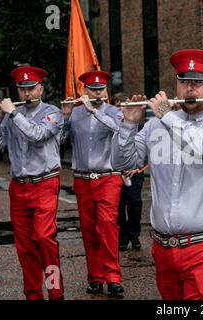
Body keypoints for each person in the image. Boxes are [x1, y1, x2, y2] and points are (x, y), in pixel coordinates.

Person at [111, 49, 203, 300]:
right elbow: (122, 162)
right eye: (184, 82)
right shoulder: (157, 124)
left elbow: (202, 147)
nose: (190, 89)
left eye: (198, 83)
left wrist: (167, 116)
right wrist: (128, 124)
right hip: (164, 248)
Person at [0, 66, 64, 300]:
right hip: (19, 187)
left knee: (43, 237)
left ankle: (55, 290)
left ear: (41, 88)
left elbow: (37, 134)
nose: (27, 94)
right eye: (22, 89)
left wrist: (12, 114)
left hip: (45, 183)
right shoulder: (11, 118)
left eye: (31, 89)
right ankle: (33, 294)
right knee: (25, 246)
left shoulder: (53, 113)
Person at [60, 70, 125, 298]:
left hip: (108, 177)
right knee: (89, 231)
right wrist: (66, 119)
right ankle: (95, 278)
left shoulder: (115, 112)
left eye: (101, 89)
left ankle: (113, 277)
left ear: (106, 91)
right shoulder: (74, 112)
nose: (97, 92)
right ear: (84, 91)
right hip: (82, 179)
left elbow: (119, 130)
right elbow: (59, 142)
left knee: (107, 226)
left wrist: (94, 112)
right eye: (93, 89)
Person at [113, 93, 145, 251]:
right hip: (117, 174)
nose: (121, 108)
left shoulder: (138, 125)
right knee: (119, 207)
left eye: (123, 105)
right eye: (118, 105)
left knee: (134, 205)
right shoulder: (113, 125)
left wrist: (137, 169)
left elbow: (145, 153)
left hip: (135, 174)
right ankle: (123, 237)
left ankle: (135, 235)